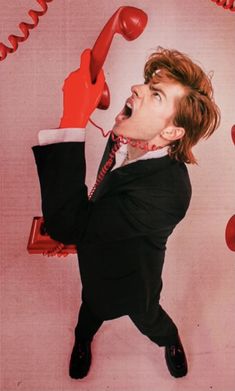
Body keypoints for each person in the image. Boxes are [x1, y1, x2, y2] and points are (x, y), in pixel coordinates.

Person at [32, 47, 220, 379]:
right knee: (90, 310)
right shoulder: (127, 135)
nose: (137, 88)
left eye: (156, 94)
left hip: (137, 280)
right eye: (149, 82)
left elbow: (69, 224)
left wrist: (73, 117)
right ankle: (82, 340)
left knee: (150, 318)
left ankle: (170, 340)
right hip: (93, 262)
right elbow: (96, 208)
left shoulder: (171, 194)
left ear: (172, 132)